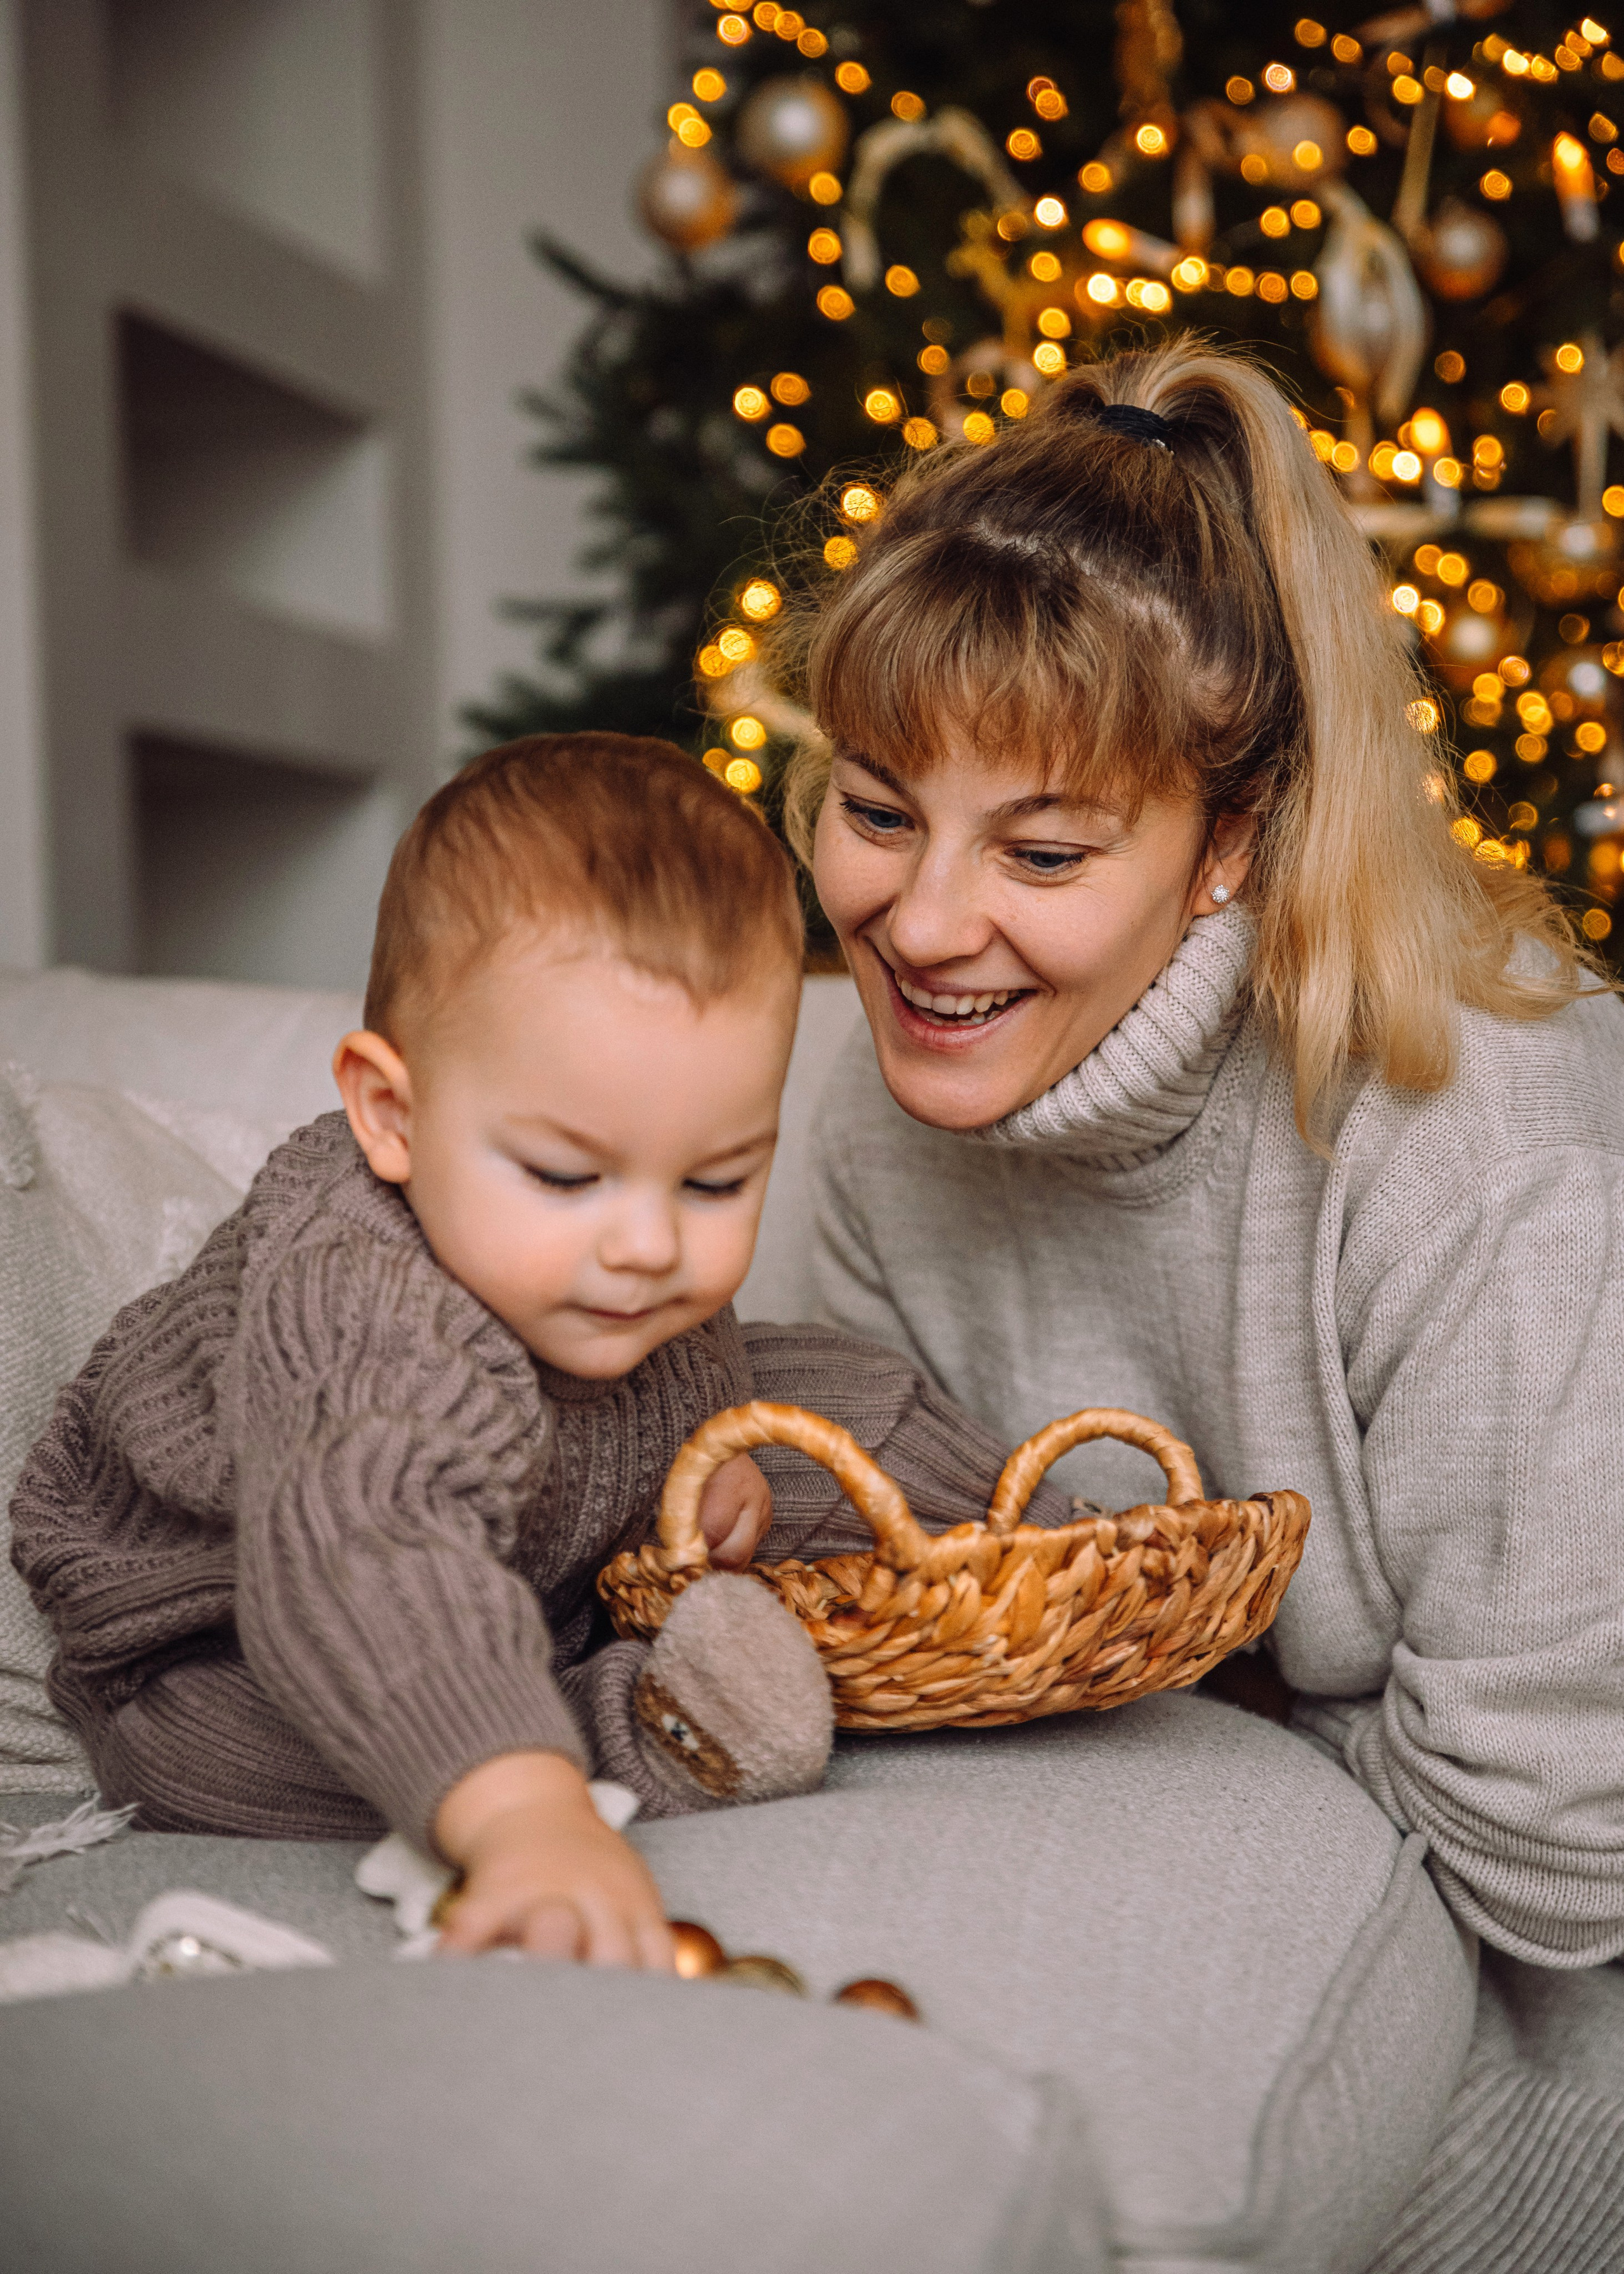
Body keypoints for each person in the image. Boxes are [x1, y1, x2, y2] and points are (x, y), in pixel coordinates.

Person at [781, 336, 1624, 1980]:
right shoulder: (879, 1108)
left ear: (1230, 842)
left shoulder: (1474, 1129)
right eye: (878, 814)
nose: (922, 925)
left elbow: (1557, 1851)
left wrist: (1173, 1727)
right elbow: (878, 1640)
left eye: (1041, 849)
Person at [11, 733, 1070, 1969]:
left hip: (535, 1485)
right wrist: (527, 1819)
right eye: (568, 1173)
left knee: (821, 1395)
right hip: (240, 1613)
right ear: (392, 1117)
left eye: (716, 1177)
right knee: (244, 1731)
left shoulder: (594, 1271)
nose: (646, 1243)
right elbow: (370, 1539)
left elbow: (719, 1376)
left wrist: (719, 1453)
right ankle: (608, 1733)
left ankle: (1048, 1533)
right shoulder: (363, 1295)